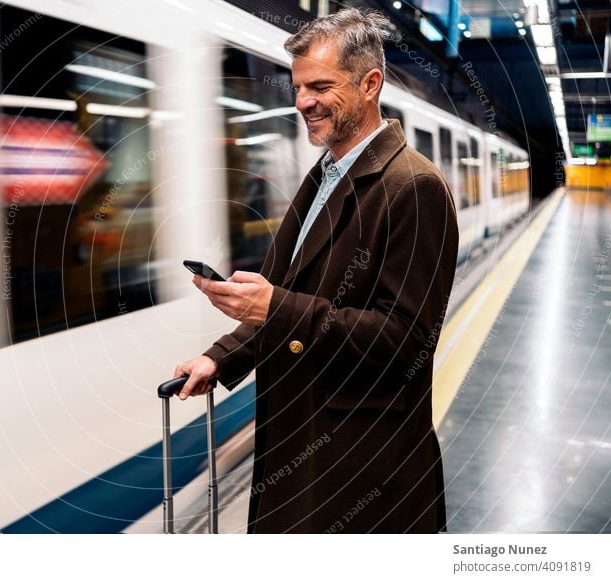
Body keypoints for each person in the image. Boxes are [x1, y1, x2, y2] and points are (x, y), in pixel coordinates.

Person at [173, 7, 458, 533]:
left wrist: (274, 306)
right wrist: (222, 357)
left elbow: (406, 341)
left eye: (321, 85)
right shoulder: (324, 175)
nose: (303, 101)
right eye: (298, 87)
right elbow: (291, 296)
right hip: (301, 442)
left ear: (370, 83)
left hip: (360, 466)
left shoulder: (413, 188)